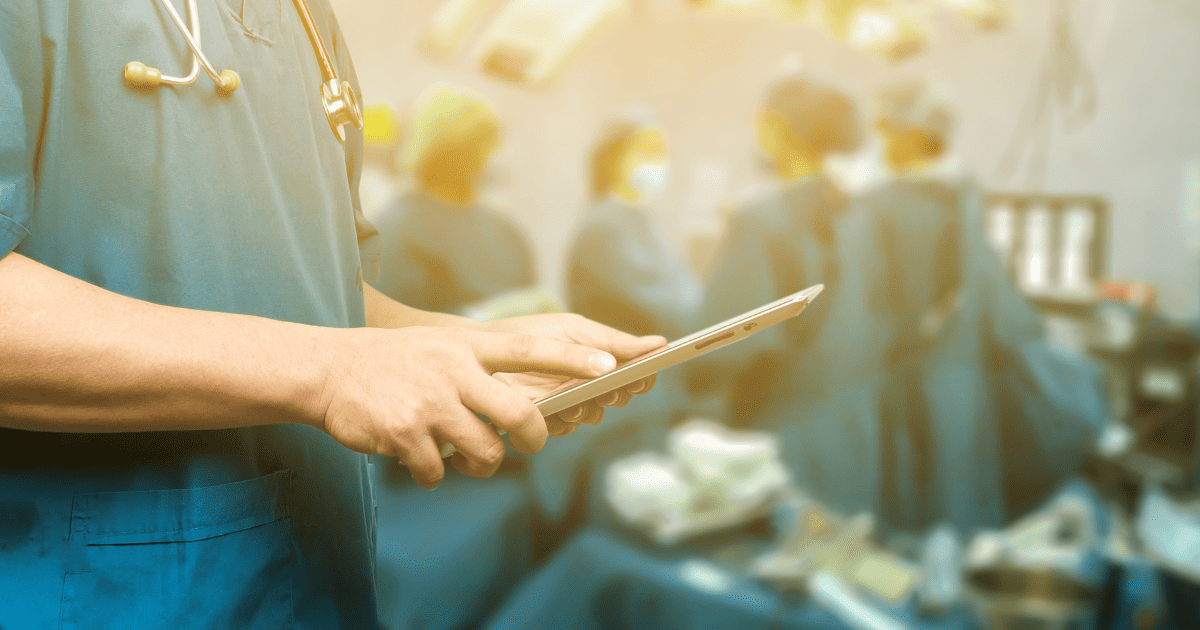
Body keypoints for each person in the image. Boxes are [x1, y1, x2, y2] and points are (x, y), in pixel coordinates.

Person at [0, 3, 662, 628]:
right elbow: (326, 356)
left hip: (309, 574)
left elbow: (319, 294)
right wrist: (330, 372)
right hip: (102, 587)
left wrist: (479, 348)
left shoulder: (304, 19)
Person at [857, 77, 1103, 533]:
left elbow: (861, 314)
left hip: (905, 391)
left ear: (914, 135)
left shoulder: (886, 208)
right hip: (963, 396)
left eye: (887, 130)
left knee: (904, 524)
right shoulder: (962, 201)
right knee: (957, 514)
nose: (880, 141)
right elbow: (1011, 317)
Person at [689, 71, 886, 516]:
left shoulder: (765, 223)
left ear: (777, 129)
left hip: (783, 444)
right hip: (857, 441)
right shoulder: (863, 218)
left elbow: (715, 348)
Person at [372, 84, 537, 315]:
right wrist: (478, 322)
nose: (496, 153)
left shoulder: (506, 232)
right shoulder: (396, 231)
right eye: (486, 142)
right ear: (454, 149)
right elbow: (389, 324)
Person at [564, 111, 701, 340]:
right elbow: (668, 305)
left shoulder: (639, 219)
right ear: (612, 156)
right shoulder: (604, 227)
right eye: (648, 150)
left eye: (662, 152)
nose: (658, 161)